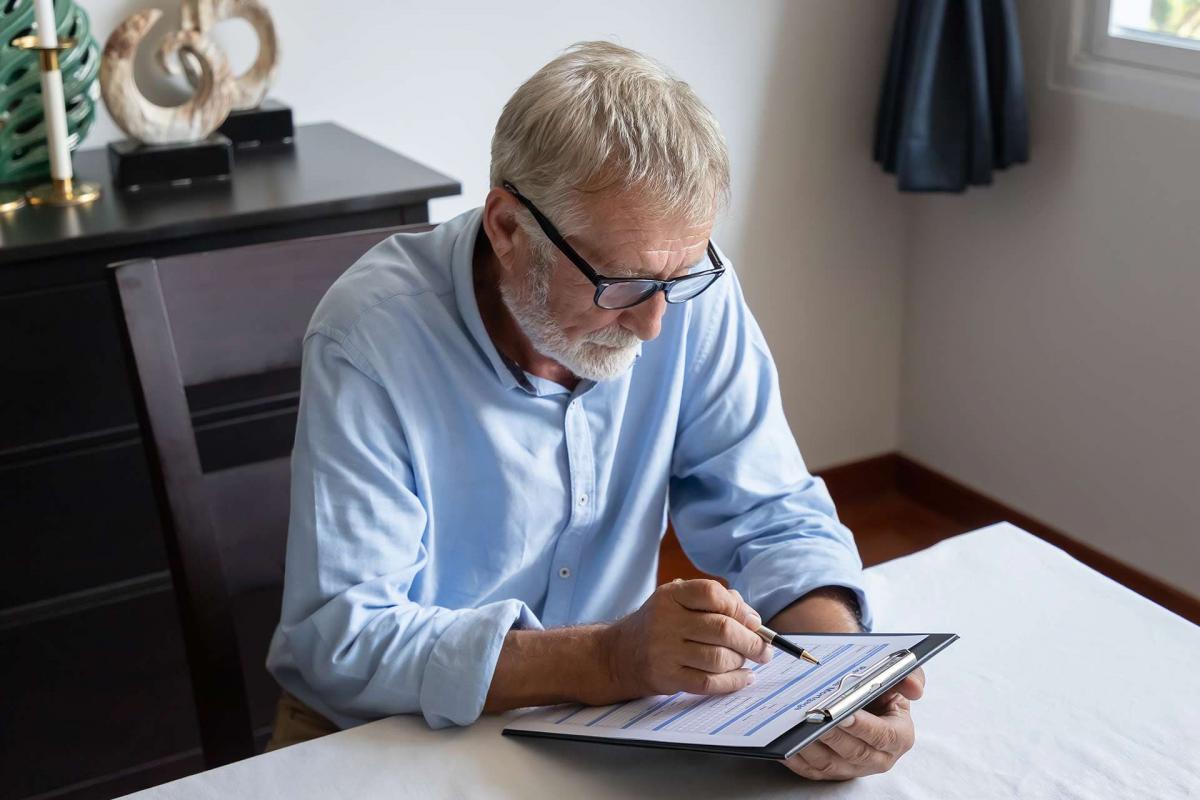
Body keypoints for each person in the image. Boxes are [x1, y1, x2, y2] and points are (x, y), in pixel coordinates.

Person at [265, 41, 924, 780]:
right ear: (508, 229)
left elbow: (771, 513)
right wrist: (606, 657)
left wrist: (843, 679)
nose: (653, 325)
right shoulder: (371, 335)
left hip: (599, 728)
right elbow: (342, 641)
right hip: (385, 737)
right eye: (620, 284)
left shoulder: (679, 288)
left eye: (680, 275)